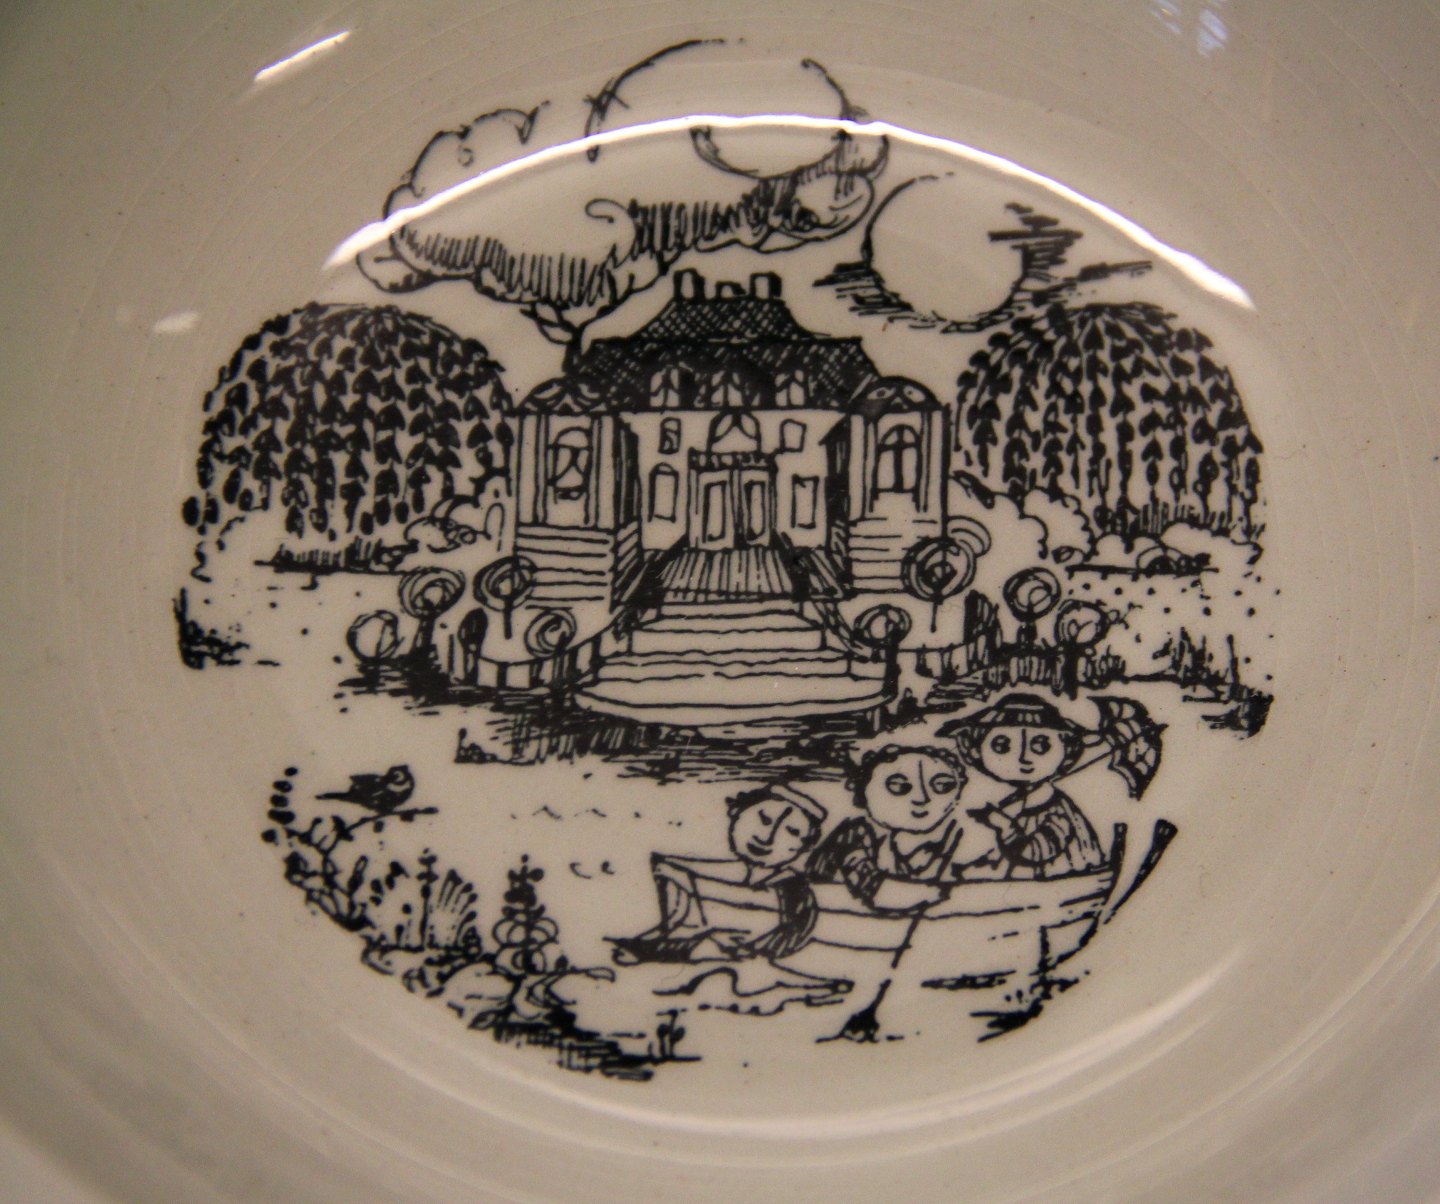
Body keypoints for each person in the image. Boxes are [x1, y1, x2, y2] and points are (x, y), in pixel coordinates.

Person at [611, 782, 828, 965]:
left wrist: (685, 879)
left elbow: (776, 922)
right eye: (764, 819)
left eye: (791, 832)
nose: (767, 838)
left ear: (804, 847)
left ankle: (665, 944)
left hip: (757, 945)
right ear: (737, 813)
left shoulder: (792, 888)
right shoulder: (743, 871)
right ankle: (668, 940)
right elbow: (686, 868)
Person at [939, 693, 1106, 880]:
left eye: (1041, 746)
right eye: (1002, 746)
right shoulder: (1015, 802)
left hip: (1056, 879)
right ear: (976, 749)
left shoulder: (1056, 810)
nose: (1023, 758)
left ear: (1066, 748)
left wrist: (1004, 825)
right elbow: (997, 854)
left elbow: (1035, 852)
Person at [807, 745, 967, 912]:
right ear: (863, 788)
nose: (922, 798)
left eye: (943, 786)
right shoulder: (853, 836)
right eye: (898, 786)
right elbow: (879, 893)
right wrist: (938, 893)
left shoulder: (894, 844)